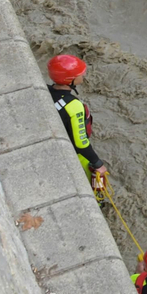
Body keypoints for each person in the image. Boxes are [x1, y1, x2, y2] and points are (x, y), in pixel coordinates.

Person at [47, 54, 108, 191]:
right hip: (74, 152)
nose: (83, 76)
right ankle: (98, 201)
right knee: (97, 178)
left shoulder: (46, 90)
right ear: (70, 80)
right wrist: (98, 163)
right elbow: (81, 142)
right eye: (80, 74)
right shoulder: (73, 106)